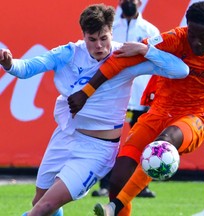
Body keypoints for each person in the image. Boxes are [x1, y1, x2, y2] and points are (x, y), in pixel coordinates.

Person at [67, 1, 204, 215]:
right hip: (156, 115)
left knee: (163, 143)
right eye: (192, 34)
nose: (196, 42)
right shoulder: (176, 38)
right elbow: (123, 60)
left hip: (193, 120)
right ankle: (117, 205)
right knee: (116, 181)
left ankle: (115, 206)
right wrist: (86, 92)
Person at [0, 3, 189, 216]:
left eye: (104, 38)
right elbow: (26, 68)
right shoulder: (70, 52)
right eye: (92, 39)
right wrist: (8, 64)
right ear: (83, 36)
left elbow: (181, 70)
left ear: (111, 32)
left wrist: (145, 49)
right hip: (65, 136)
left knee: (43, 208)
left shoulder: (125, 56)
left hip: (97, 150)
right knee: (40, 202)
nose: (99, 45)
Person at [91, 0, 159, 198]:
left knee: (142, 139)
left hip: (141, 94)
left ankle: (140, 185)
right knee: (109, 139)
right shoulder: (111, 28)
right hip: (115, 93)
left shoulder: (150, 30)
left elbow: (157, 60)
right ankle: (105, 185)